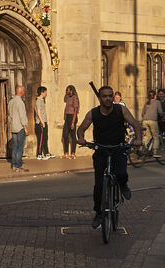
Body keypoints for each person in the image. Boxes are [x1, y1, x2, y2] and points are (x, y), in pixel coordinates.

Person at [77, 85, 143, 225]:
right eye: (105, 96)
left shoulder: (121, 110)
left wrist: (138, 139)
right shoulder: (93, 113)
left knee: (121, 173)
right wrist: (81, 138)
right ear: (100, 98)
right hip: (101, 149)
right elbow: (81, 128)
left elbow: (135, 124)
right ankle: (99, 213)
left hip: (118, 148)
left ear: (113, 97)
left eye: (110, 96)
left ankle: (123, 185)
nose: (108, 99)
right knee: (99, 185)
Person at [7, 85, 29, 172]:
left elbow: (9, 115)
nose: (24, 93)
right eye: (23, 91)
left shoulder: (11, 102)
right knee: (20, 147)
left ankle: (14, 165)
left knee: (15, 147)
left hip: (13, 127)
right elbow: (22, 116)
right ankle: (18, 165)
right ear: (21, 92)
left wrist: (11, 125)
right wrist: (25, 127)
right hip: (20, 127)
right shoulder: (20, 102)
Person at [61, 85, 81, 158]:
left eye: (68, 90)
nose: (66, 91)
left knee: (72, 136)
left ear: (71, 90)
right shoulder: (68, 98)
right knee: (65, 135)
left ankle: (73, 153)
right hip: (67, 118)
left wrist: (73, 122)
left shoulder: (74, 98)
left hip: (73, 117)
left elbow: (76, 111)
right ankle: (66, 153)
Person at [34, 85, 52, 160]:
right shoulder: (38, 101)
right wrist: (42, 122)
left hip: (44, 121)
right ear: (42, 92)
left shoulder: (42, 100)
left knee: (45, 138)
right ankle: (39, 154)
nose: (46, 93)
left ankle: (47, 153)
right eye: (45, 92)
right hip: (41, 122)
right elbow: (38, 112)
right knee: (41, 139)